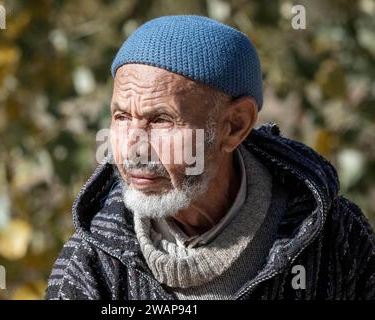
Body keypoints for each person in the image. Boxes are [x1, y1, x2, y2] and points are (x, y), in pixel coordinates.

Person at [46, 15, 375, 300]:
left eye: (161, 120)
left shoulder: (334, 239)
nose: (132, 148)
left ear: (234, 126)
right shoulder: (91, 263)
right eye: (121, 117)